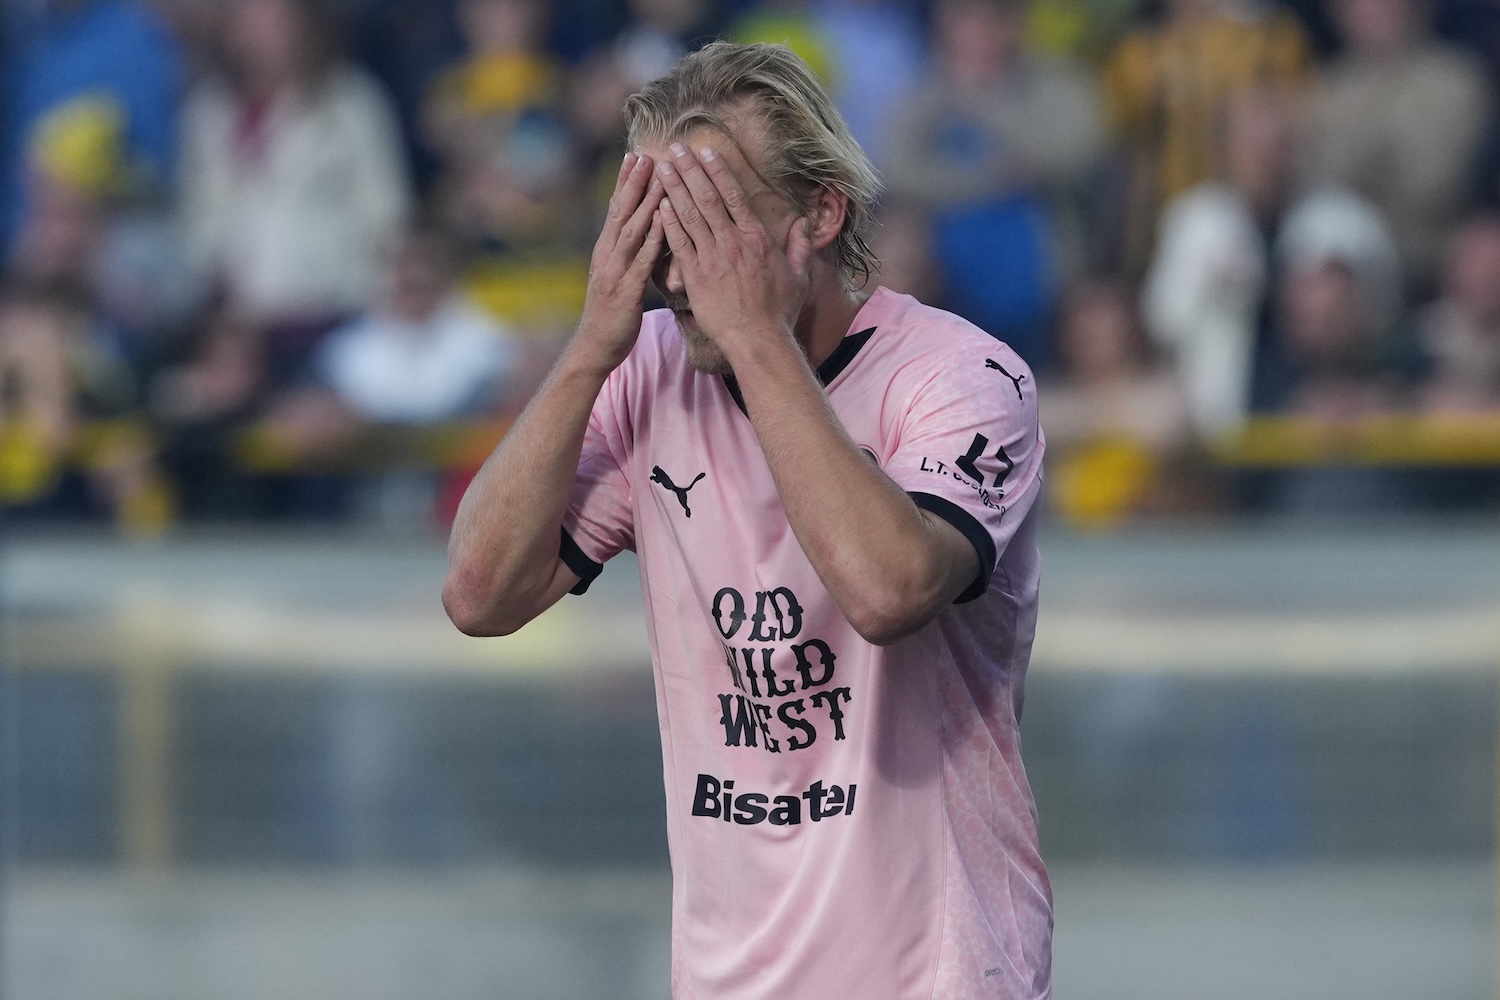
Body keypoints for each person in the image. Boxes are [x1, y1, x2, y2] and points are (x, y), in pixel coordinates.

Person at [443, 41, 1051, 1000]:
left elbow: (887, 588)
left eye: (713, 219)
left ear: (820, 211)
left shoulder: (962, 379)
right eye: (659, 223)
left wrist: (757, 335)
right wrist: (591, 344)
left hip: (940, 975)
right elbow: (479, 596)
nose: (680, 271)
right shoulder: (643, 364)